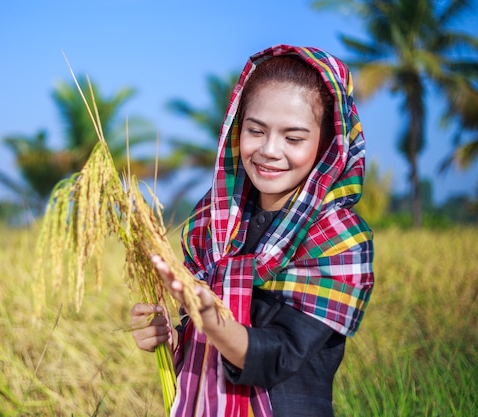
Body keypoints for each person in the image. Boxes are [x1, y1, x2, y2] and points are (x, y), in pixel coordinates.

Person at [130, 44, 374, 417]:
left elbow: (281, 354)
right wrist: (169, 337)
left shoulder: (338, 238)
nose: (269, 150)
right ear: (236, 129)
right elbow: (197, 336)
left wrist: (214, 323)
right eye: (255, 130)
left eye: (293, 138)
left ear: (326, 145)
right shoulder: (212, 223)